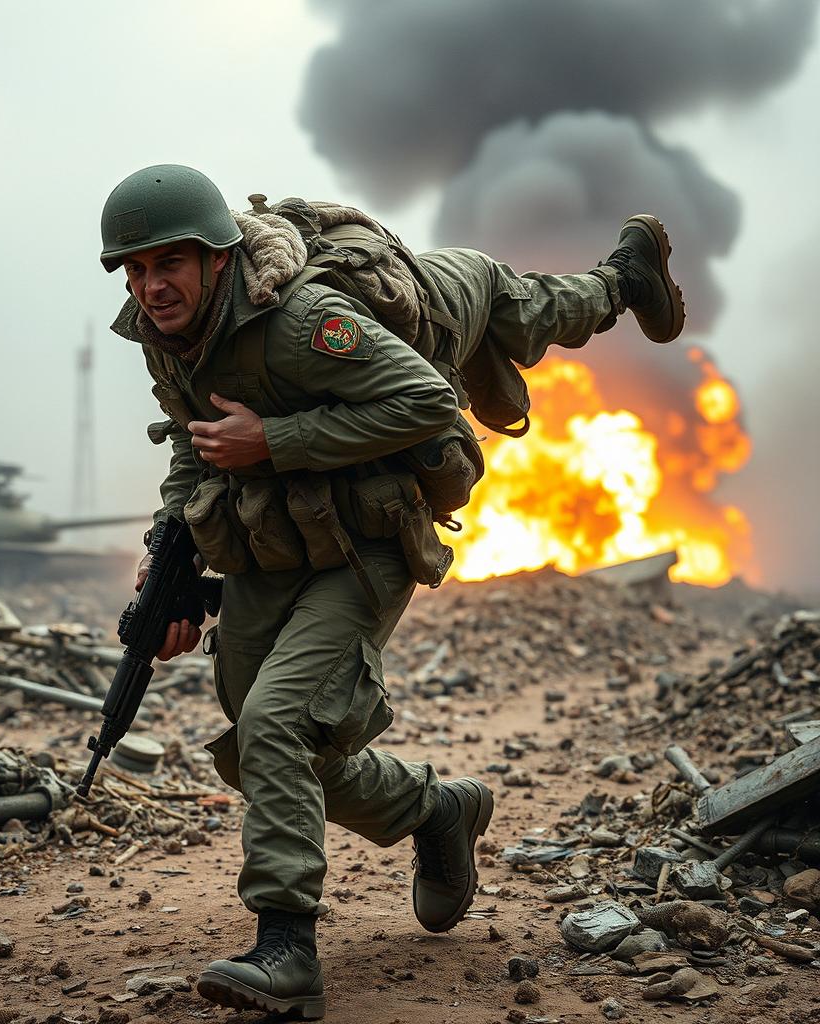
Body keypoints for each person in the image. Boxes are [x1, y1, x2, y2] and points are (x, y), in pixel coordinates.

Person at [99, 164, 684, 1018]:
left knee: (528, 312)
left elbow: (424, 401)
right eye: (136, 270)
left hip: (370, 535)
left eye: (168, 266)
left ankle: (286, 953)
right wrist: (168, 554)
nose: (151, 287)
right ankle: (440, 812)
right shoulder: (167, 332)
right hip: (277, 544)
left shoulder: (306, 322)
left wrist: (275, 439)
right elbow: (194, 446)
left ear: (218, 258)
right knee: (272, 742)